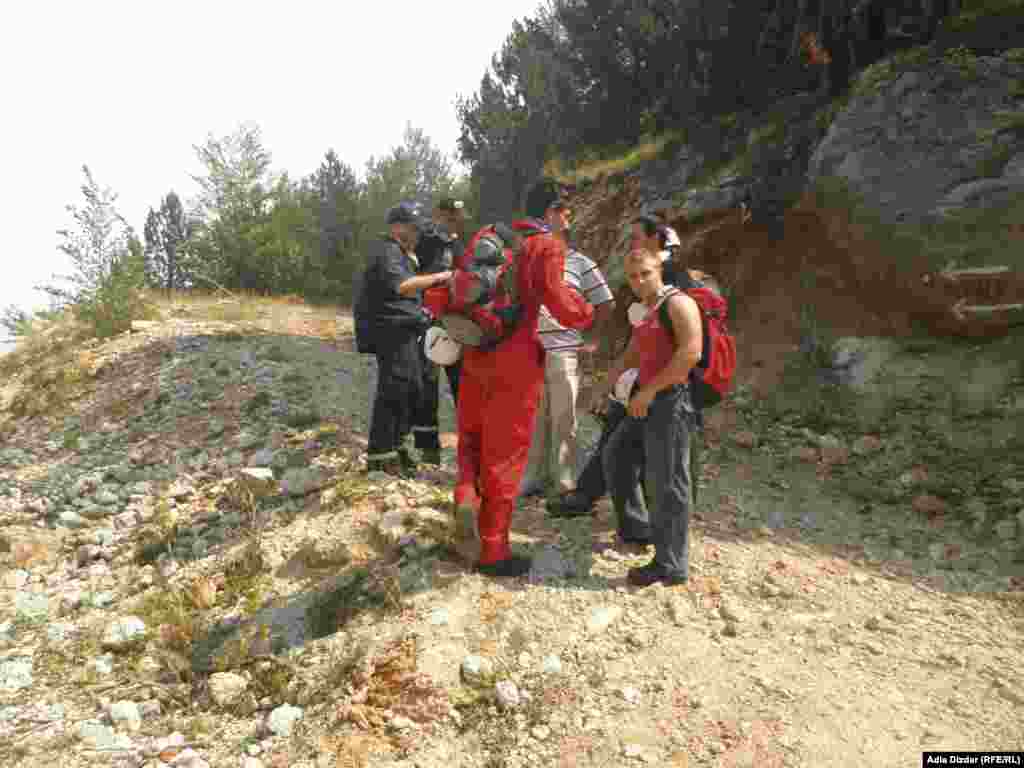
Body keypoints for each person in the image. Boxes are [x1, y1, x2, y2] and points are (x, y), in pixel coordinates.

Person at [452, 179, 595, 578]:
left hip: (476, 351)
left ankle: (464, 495)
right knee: (506, 453)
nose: (568, 218)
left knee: (471, 438)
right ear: (550, 210)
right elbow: (560, 302)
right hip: (515, 361)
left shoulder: (489, 233)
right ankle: (494, 552)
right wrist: (587, 314)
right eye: (565, 210)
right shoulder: (545, 244)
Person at [601, 248, 703, 586]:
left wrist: (648, 392)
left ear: (659, 269)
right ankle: (637, 528)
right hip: (644, 398)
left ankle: (670, 564)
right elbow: (635, 351)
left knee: (669, 481)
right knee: (616, 455)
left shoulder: (678, 304)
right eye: (632, 276)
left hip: (670, 401)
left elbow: (690, 353)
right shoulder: (644, 309)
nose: (639, 281)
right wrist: (611, 380)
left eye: (645, 273)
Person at [519, 214, 615, 501]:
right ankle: (532, 477)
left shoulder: (579, 262)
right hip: (531, 349)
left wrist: (593, 340)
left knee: (564, 416)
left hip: (565, 349)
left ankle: (564, 480)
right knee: (534, 418)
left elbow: (606, 302)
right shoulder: (528, 258)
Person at [363, 201, 453, 476]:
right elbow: (401, 286)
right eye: (414, 229)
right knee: (394, 390)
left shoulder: (400, 253)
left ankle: (396, 446)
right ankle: (381, 455)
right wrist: (439, 277)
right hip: (390, 331)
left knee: (411, 387)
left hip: (404, 328)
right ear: (399, 227)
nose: (417, 235)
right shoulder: (387, 251)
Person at [412, 197, 467, 465]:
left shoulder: (459, 245)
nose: (455, 220)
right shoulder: (424, 242)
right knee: (427, 385)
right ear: (438, 214)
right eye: (450, 215)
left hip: (456, 325)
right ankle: (428, 448)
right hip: (428, 322)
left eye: (457, 216)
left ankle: (469, 448)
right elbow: (410, 276)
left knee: (462, 385)